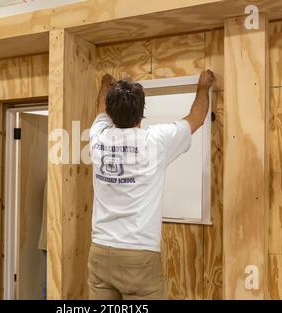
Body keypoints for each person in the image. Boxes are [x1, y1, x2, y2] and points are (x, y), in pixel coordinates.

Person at [88, 70, 214, 300]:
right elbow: (196, 118)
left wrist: (105, 82)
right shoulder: (155, 141)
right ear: (141, 113)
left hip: (100, 251)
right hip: (138, 256)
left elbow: (100, 109)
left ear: (111, 112)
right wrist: (203, 87)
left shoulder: (98, 136)